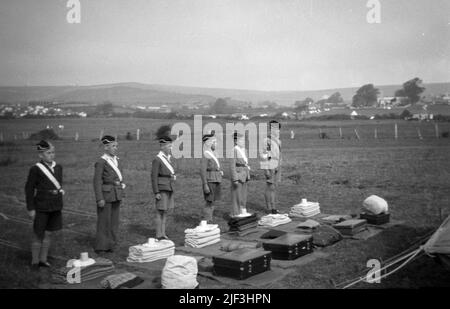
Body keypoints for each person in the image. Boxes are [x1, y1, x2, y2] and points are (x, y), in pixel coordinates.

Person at [25, 140, 65, 270]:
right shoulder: (35, 169)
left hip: (55, 205)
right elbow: (29, 189)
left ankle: (43, 260)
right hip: (41, 206)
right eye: (48, 153)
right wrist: (31, 209)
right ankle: (35, 261)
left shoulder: (58, 167)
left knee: (49, 233)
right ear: (40, 155)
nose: (51, 155)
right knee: (38, 234)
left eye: (53, 152)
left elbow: (58, 185)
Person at [93, 135, 126, 254]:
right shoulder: (101, 162)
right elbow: (97, 181)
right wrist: (99, 198)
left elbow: (119, 177)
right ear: (106, 147)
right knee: (104, 221)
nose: (115, 148)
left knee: (114, 221)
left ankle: (111, 244)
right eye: (113, 146)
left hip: (116, 193)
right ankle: (101, 246)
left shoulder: (118, 160)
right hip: (105, 194)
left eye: (116, 146)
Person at [151, 125, 177, 240]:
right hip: (161, 188)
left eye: (170, 145)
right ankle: (158, 234)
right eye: (168, 145)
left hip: (169, 186)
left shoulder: (168, 158)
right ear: (162, 146)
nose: (170, 147)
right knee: (159, 211)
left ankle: (163, 233)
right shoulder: (157, 159)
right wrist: (156, 191)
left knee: (165, 211)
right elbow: (154, 177)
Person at [200, 132, 223, 222]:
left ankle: (210, 219)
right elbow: (202, 170)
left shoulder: (212, 153)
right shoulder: (206, 154)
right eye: (214, 142)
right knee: (209, 202)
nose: (216, 144)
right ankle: (206, 220)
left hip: (216, 179)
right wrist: (205, 184)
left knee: (212, 201)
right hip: (210, 180)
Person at [260, 120, 282, 214]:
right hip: (270, 165)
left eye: (278, 129)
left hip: (278, 165)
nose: (277, 131)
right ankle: (269, 207)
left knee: (274, 187)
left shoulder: (279, 141)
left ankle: (274, 207)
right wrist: (266, 169)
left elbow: (280, 154)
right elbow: (264, 155)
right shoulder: (267, 141)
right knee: (269, 187)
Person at [229, 132, 251, 217]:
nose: (243, 141)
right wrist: (234, 178)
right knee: (236, 194)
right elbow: (232, 165)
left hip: (245, 174)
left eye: (243, 140)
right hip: (238, 174)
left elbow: (245, 162)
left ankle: (243, 209)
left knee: (243, 194)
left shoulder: (244, 150)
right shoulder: (234, 150)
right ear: (236, 141)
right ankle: (236, 212)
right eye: (241, 140)